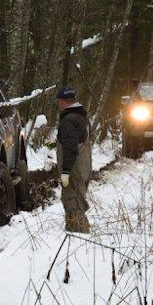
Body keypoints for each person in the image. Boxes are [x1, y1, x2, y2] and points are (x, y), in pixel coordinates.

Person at [56, 86, 92, 233]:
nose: (58, 104)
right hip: (82, 168)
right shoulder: (80, 117)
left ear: (63, 102)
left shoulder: (68, 121)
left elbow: (71, 148)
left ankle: (79, 236)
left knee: (73, 203)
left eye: (59, 101)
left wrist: (65, 172)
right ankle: (75, 232)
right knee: (77, 201)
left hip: (74, 171)